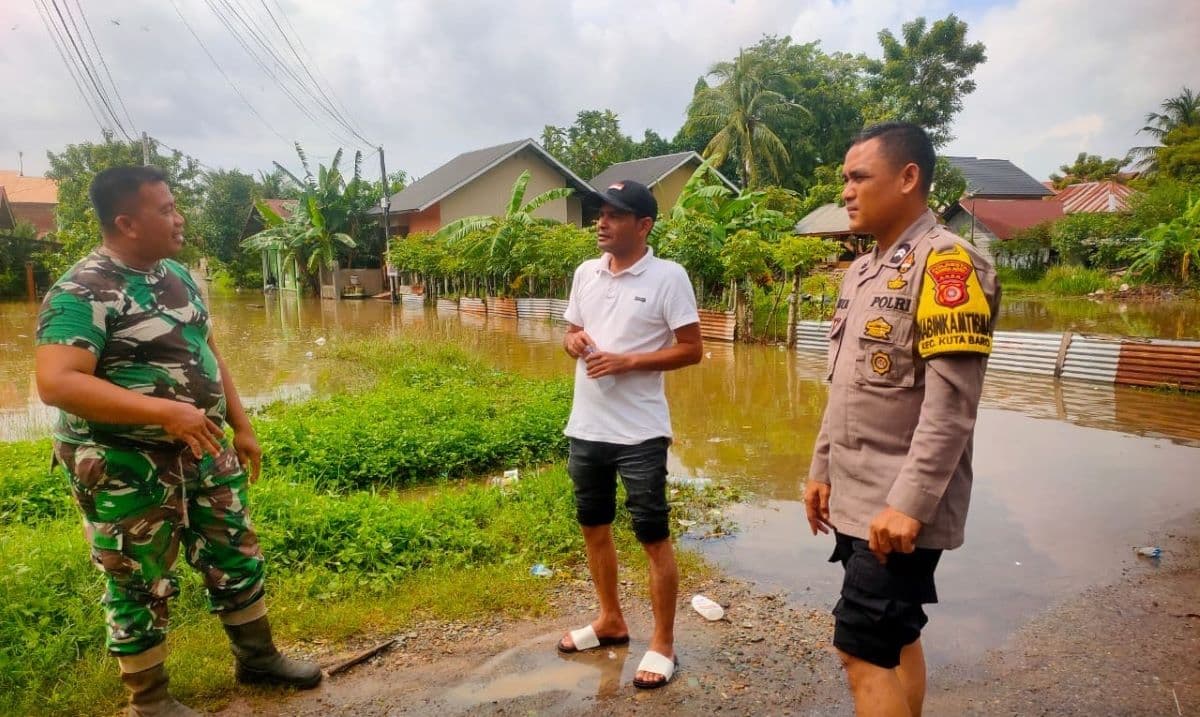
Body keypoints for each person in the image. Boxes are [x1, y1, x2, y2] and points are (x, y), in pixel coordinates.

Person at [35, 166, 321, 716]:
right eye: (165, 209)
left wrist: (242, 424)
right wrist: (164, 412)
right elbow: (57, 382)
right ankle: (151, 700)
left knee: (234, 550)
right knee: (137, 575)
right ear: (127, 222)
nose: (179, 216)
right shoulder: (82, 288)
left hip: (201, 446)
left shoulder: (177, 275)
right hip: (123, 460)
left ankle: (258, 660)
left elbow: (208, 350)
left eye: (175, 205)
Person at [804, 122, 1000, 717]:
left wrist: (909, 505)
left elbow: (952, 405)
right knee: (896, 638)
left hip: (898, 506)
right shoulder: (861, 272)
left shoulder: (949, 266)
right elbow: (845, 384)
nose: (846, 191)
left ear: (909, 177)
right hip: (857, 494)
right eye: (845, 178)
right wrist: (821, 469)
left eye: (859, 176)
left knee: (859, 650)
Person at [556, 180, 703, 689]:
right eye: (601, 212)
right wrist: (574, 341)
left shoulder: (668, 277)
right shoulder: (586, 273)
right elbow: (570, 331)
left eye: (616, 215)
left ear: (644, 226)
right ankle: (611, 620)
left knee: (652, 536)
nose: (602, 222)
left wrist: (630, 360)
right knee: (594, 526)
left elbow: (692, 349)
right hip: (587, 426)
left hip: (640, 432)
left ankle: (662, 643)